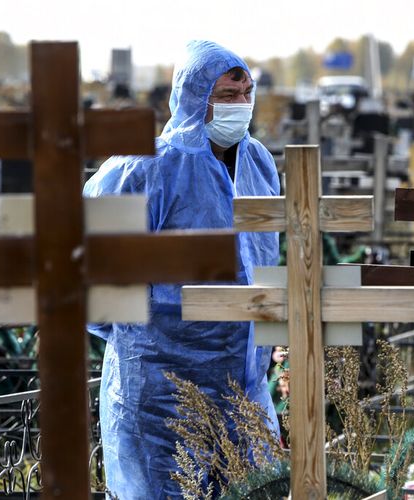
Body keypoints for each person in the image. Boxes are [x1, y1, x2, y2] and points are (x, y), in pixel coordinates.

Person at [83, 40, 280, 499]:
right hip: (161, 390)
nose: (241, 105)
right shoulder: (145, 167)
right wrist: (150, 337)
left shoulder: (259, 163)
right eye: (227, 95)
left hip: (244, 386)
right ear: (194, 96)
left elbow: (265, 259)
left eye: (247, 92)